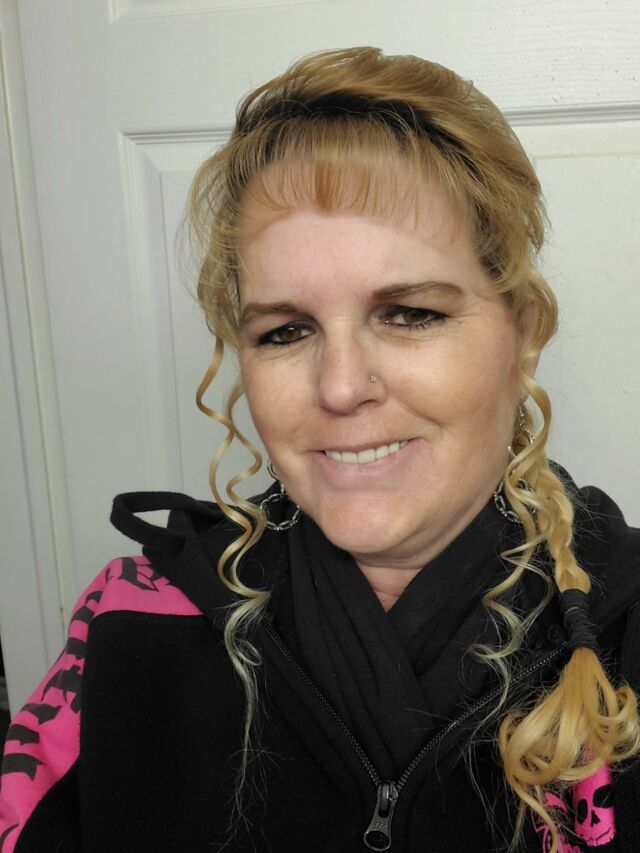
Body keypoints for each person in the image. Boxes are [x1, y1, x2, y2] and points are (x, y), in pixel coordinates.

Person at [1, 46, 639, 853]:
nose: (339, 387)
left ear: (524, 339)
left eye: (410, 313)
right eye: (285, 330)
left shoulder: (625, 626)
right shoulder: (130, 619)